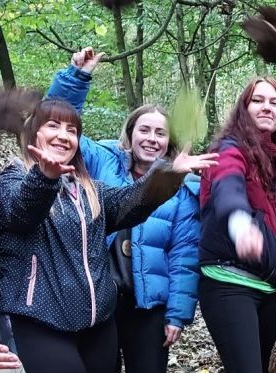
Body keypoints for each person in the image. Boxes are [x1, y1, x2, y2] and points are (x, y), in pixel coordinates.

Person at [0, 99, 216, 373]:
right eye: (53, 126)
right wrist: (44, 178)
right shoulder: (12, 179)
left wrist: (168, 175)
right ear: (33, 132)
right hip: (35, 319)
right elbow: (21, 214)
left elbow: (132, 202)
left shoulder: (90, 190)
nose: (63, 135)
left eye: (72, 130)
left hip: (96, 325)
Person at [44, 48, 201, 372]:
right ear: (130, 133)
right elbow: (58, 123)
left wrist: (176, 314)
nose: (151, 139)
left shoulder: (179, 187)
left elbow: (184, 256)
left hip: (148, 306)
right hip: (97, 300)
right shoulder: (102, 160)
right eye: (144, 130)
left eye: (160, 133)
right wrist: (77, 77)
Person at [198, 77, 276, 373]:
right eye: (258, 100)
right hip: (230, 283)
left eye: (275, 102)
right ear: (244, 108)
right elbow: (227, 185)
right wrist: (239, 222)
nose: (267, 107)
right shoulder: (229, 149)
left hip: (272, 290)